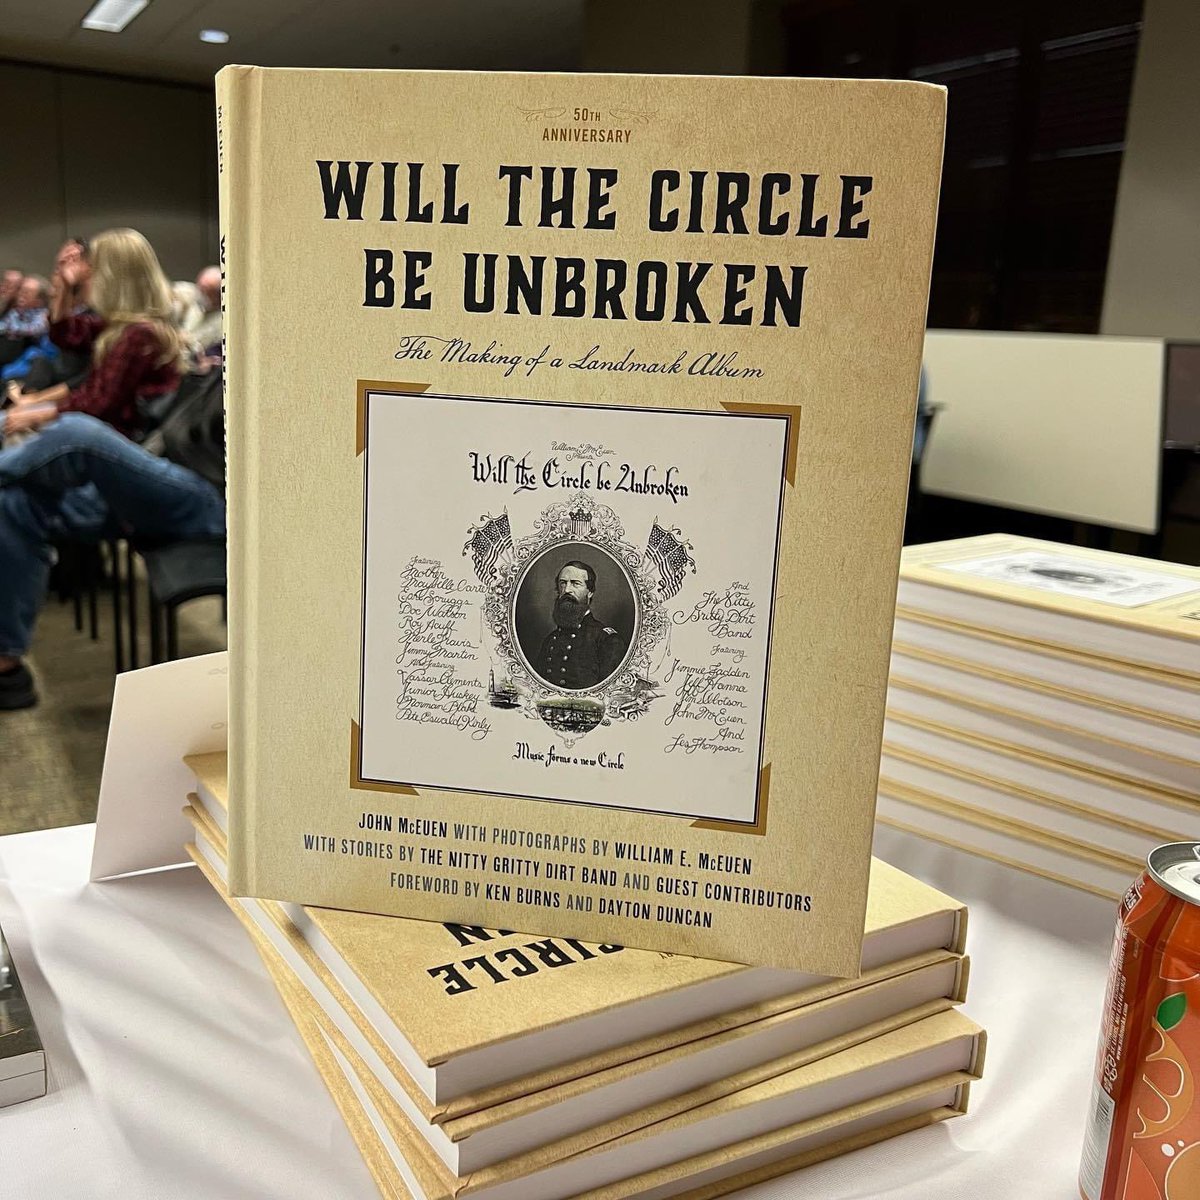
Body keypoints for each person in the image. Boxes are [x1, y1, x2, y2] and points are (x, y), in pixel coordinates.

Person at [8, 229, 185, 440]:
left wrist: (39, 414)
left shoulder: (140, 333)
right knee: (10, 424)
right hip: (102, 432)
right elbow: (66, 335)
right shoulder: (121, 325)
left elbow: (99, 405)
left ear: (113, 278)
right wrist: (64, 285)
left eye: (91, 272)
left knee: (12, 427)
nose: (86, 280)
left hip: (126, 440)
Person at [533, 560, 627, 689]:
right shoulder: (550, 640)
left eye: (575, 584)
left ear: (590, 592)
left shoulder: (606, 639)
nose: (567, 590)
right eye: (563, 583)